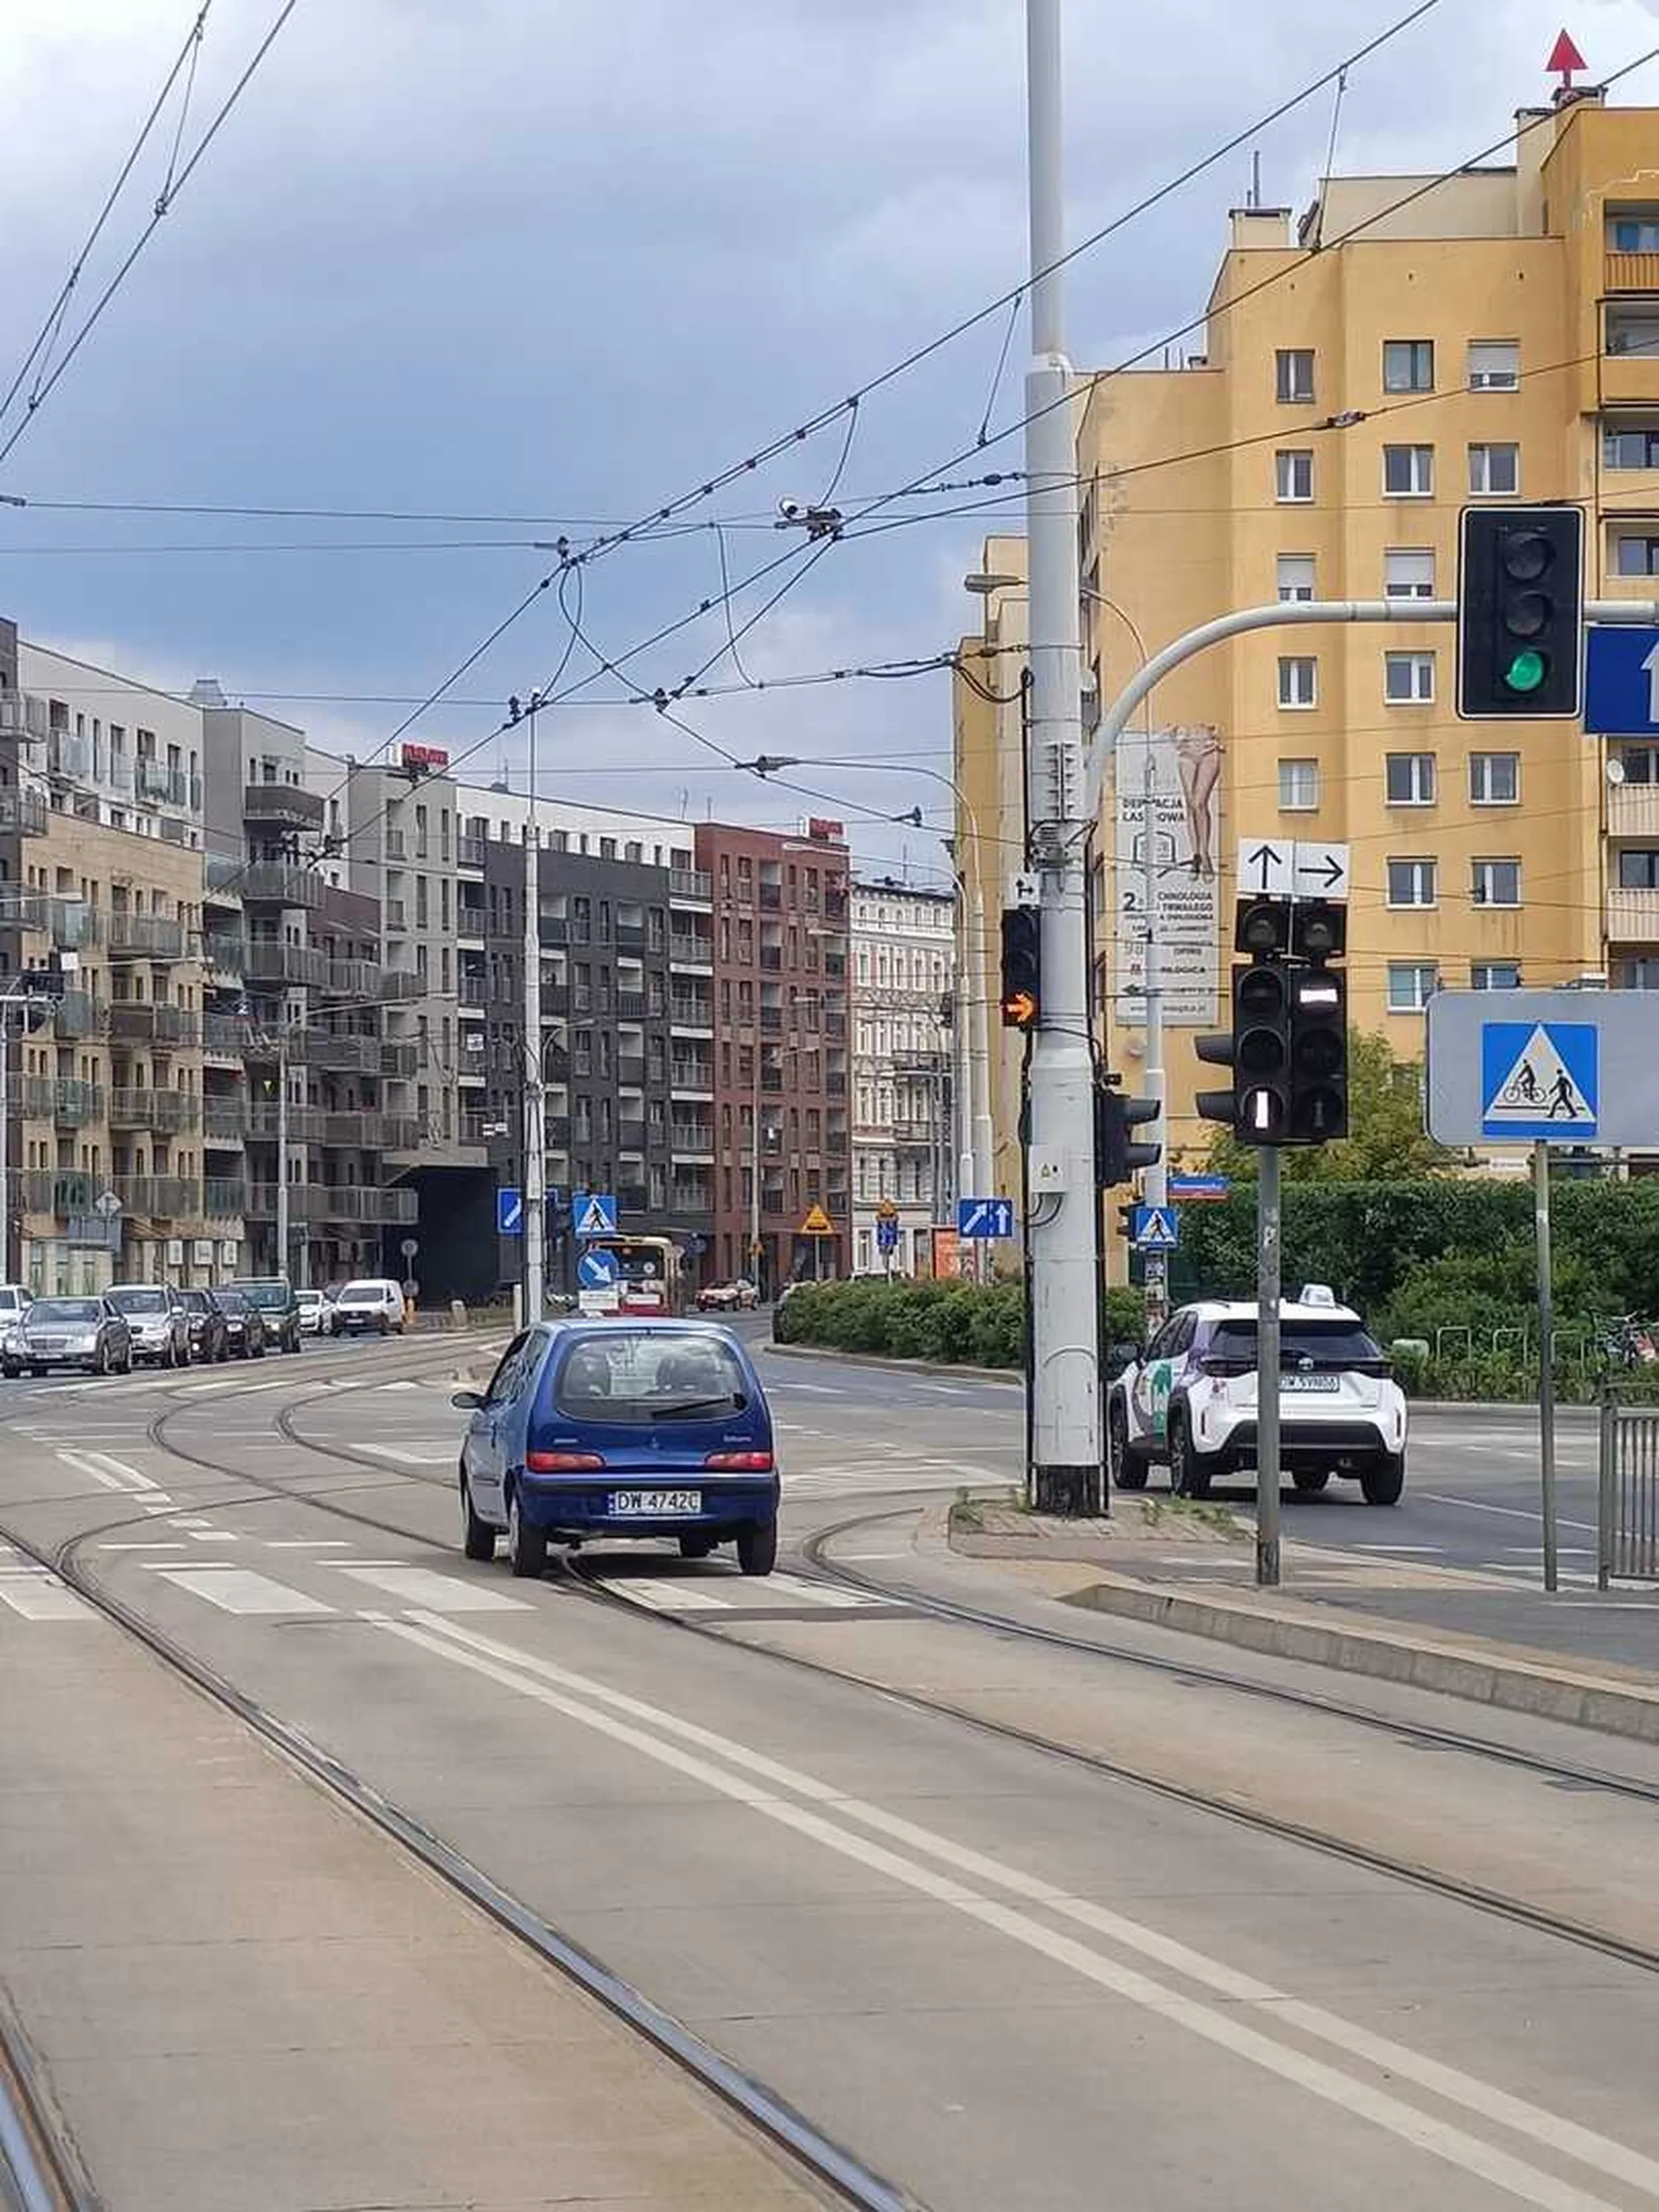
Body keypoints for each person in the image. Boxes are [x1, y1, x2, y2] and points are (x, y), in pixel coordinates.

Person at [1171, 725, 1223, 879]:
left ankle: (1206, 855)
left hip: (1208, 749)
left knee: (1200, 803)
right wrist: (1177, 737)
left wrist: (1216, 738)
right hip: (1187, 751)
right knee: (1191, 804)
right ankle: (1196, 854)